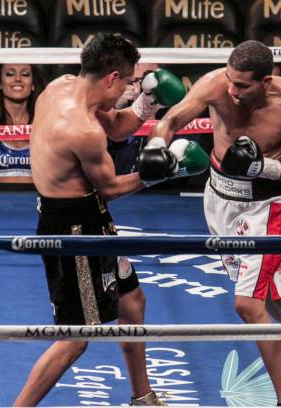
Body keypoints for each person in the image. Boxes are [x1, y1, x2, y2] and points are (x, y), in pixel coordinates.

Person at [15, 33, 208, 406]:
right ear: (112, 78)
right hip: (73, 230)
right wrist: (163, 172)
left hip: (90, 217)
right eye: (131, 82)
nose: (132, 87)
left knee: (131, 301)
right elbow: (109, 188)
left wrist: (146, 104)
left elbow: (119, 127)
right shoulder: (82, 130)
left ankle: (142, 396)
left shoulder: (62, 87)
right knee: (75, 338)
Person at [148, 40, 281, 405]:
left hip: (268, 207)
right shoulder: (218, 83)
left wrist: (260, 165)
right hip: (219, 199)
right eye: (230, 81)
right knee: (268, 288)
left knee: (248, 305)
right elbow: (172, 118)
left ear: (266, 81)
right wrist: (158, 146)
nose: (232, 91)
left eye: (242, 85)